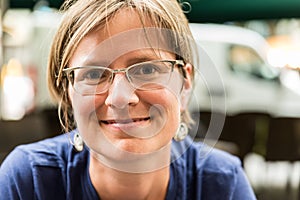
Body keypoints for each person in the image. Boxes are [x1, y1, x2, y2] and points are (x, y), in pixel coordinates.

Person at [0, 0, 256, 199]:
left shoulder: (221, 184)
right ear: (69, 92)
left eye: (146, 70)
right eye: (93, 74)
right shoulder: (29, 182)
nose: (120, 98)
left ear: (185, 84)